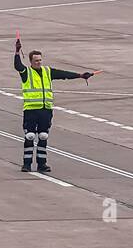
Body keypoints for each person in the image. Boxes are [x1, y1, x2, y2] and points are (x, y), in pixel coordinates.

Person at [14, 37, 94, 173]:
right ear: (31, 61)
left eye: (40, 60)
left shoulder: (47, 71)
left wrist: (80, 75)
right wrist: (17, 52)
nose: (39, 62)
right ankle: (26, 164)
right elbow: (17, 66)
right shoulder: (26, 72)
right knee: (30, 136)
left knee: (43, 136)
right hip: (31, 110)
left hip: (46, 110)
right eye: (36, 60)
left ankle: (42, 164)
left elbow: (63, 74)